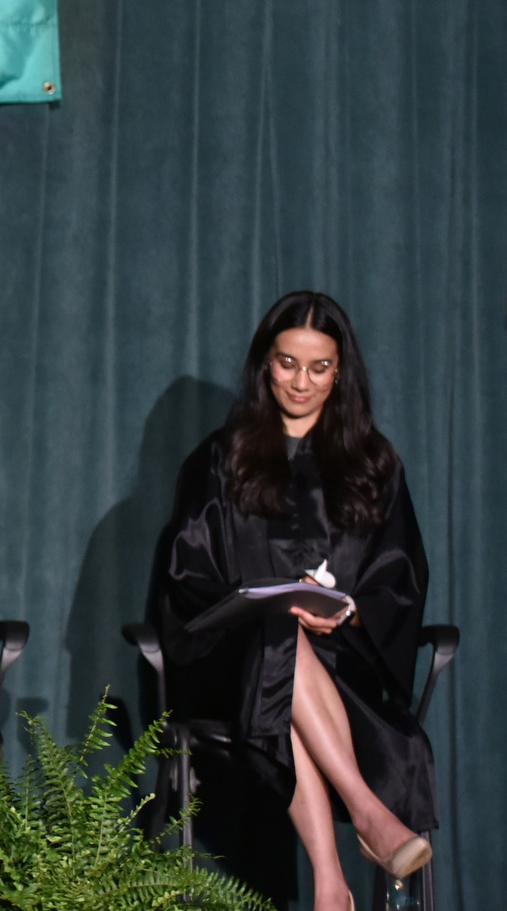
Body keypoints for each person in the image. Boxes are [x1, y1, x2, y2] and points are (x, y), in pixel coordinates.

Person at [157, 291, 434, 911]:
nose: (301, 382)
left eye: (319, 367)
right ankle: (369, 814)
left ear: (341, 372)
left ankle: (331, 888)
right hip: (232, 665)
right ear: (264, 364)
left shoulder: (373, 464)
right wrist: (260, 607)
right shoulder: (220, 459)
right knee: (278, 634)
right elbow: (187, 574)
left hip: (346, 667)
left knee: (291, 645)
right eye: (286, 364)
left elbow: (400, 577)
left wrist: (352, 610)